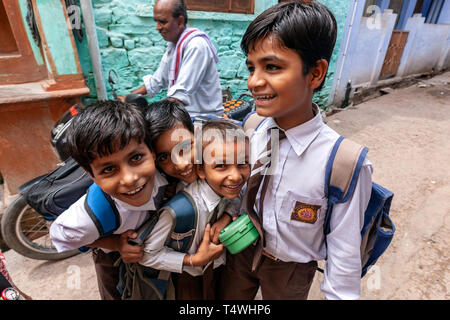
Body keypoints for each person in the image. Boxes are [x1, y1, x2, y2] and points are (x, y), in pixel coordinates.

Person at [219, 1, 373, 300]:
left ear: (315, 74)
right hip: (240, 252)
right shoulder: (252, 127)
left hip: (290, 269)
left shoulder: (342, 162)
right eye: (252, 67)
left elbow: (344, 255)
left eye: (272, 67)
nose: (254, 81)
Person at [49, 100, 169, 300]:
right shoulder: (87, 219)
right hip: (111, 258)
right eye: (108, 169)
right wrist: (115, 244)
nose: (130, 179)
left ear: (153, 152)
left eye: (136, 158)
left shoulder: (168, 172)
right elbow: (58, 235)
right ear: (91, 175)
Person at [140, 118, 250, 299]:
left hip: (220, 269)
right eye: (221, 166)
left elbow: (239, 195)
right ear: (200, 170)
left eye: (242, 163)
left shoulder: (227, 189)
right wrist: (193, 260)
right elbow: (147, 255)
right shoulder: (178, 210)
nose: (235, 176)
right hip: (189, 278)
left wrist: (228, 216)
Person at [121, 0, 223, 116]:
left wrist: (153, 115)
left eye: (162, 22)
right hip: (184, 114)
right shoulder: (174, 45)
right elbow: (157, 81)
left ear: (180, 21)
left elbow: (179, 94)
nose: (157, 27)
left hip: (203, 118)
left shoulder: (196, 46)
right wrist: (127, 98)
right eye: (156, 21)